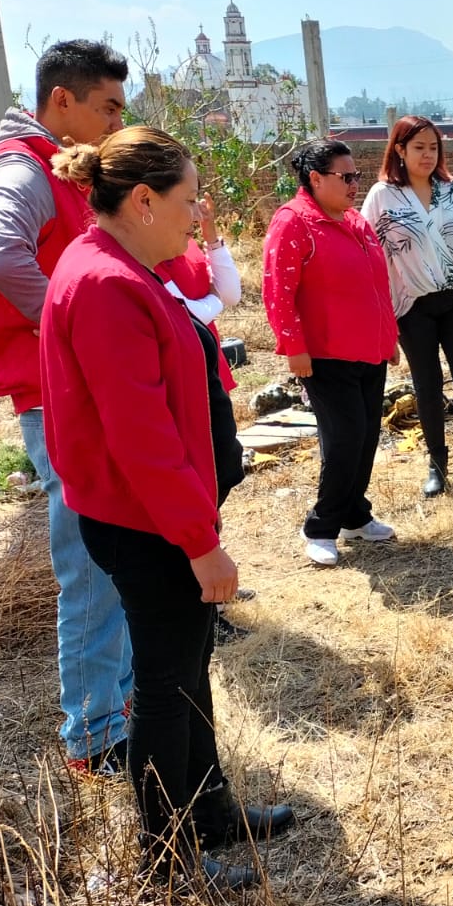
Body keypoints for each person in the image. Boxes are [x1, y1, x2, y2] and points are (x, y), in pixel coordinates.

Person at [40, 126, 293, 890]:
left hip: (158, 518)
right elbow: (140, 437)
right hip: (146, 524)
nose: (197, 216)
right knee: (165, 684)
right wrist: (197, 539)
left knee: (188, 669)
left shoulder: (125, 266)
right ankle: (169, 858)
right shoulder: (108, 284)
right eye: (187, 202)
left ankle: (209, 810)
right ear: (143, 200)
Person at [0, 39, 134, 775]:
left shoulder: (59, 168)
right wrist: (69, 318)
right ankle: (95, 733)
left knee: (113, 550)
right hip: (52, 389)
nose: (114, 123)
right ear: (61, 101)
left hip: (74, 383)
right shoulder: (21, 168)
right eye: (108, 108)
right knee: (92, 560)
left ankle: (117, 706)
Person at [263, 140, 399, 566]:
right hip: (325, 354)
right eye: (346, 177)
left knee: (365, 437)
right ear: (316, 179)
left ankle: (355, 515)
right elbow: (278, 291)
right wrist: (293, 348)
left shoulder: (354, 221)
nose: (355, 184)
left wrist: (388, 336)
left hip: (368, 350)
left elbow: (378, 286)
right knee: (344, 440)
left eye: (357, 175)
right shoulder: (294, 223)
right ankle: (321, 526)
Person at [360, 115, 453, 498]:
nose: (428, 155)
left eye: (433, 147)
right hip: (413, 305)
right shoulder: (382, 195)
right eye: (418, 148)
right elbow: (367, 249)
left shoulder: (450, 188)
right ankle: (438, 467)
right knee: (428, 386)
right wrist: (377, 314)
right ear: (399, 150)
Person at [156, 197, 251, 643]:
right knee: (198, 486)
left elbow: (229, 295)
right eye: (187, 195)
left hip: (210, 374)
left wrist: (211, 234)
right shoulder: (148, 251)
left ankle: (212, 579)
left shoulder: (188, 242)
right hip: (183, 381)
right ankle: (202, 598)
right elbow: (183, 312)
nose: (194, 206)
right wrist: (209, 301)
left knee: (223, 473)